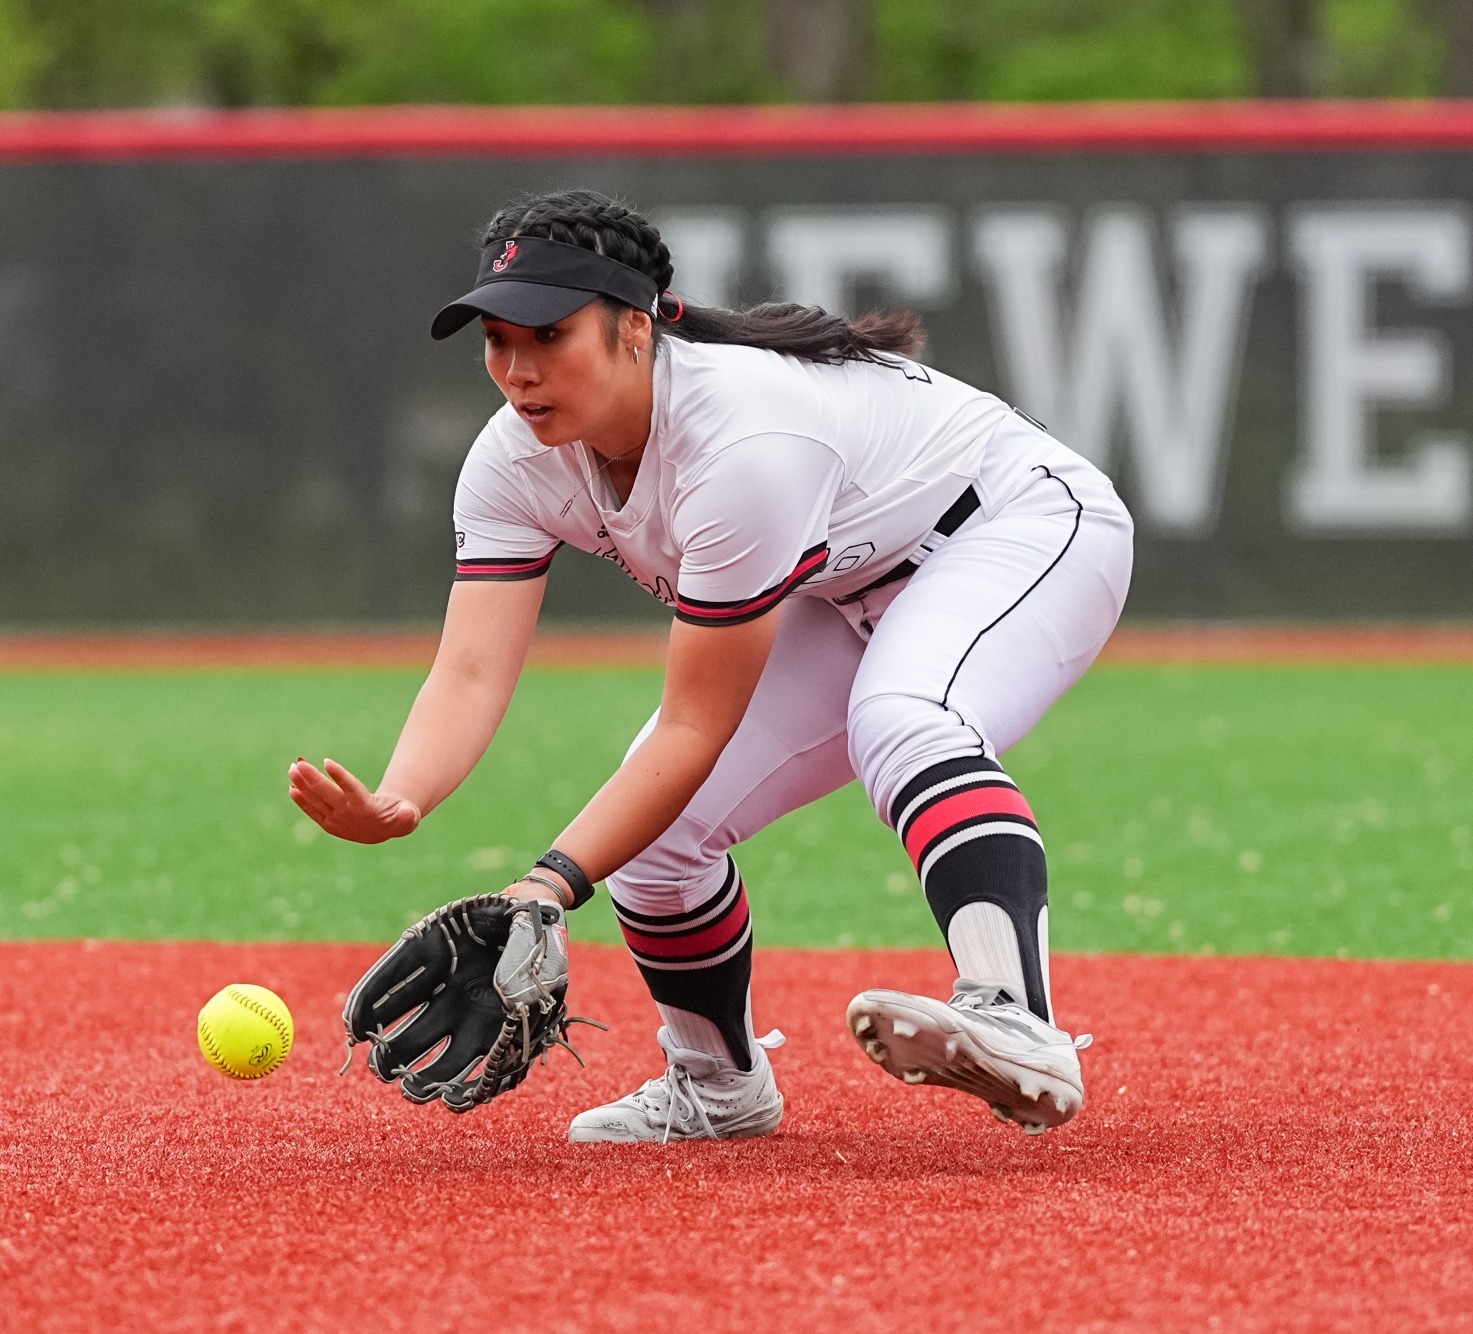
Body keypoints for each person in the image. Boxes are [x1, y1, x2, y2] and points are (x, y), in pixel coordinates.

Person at [287, 189, 1133, 1141]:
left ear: (634, 329)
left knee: (906, 716)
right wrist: (401, 798)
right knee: (655, 837)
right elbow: (471, 672)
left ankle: (1015, 1018)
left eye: (550, 334)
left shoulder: (741, 442)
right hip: (846, 584)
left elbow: (699, 724)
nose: (518, 370)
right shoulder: (513, 460)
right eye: (497, 340)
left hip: (1020, 524)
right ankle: (717, 1085)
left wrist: (546, 885)